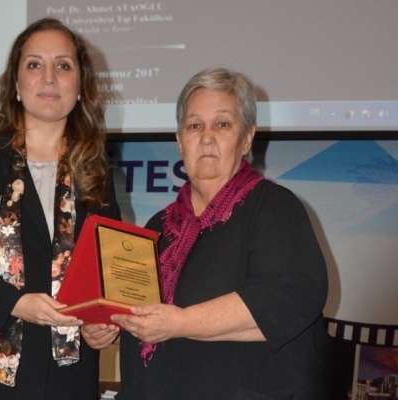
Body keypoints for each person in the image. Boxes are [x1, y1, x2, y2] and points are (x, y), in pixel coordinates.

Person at [107, 67, 337, 399]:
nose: (206, 137)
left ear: (247, 138)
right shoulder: (158, 226)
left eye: (223, 124)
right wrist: (109, 327)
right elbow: (137, 311)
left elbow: (289, 296)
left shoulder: (273, 207)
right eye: (194, 125)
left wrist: (181, 322)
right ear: (180, 141)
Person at [0, 17, 121, 400]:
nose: (49, 78)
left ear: (80, 85)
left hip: (68, 377)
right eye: (35, 64)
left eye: (63, 66)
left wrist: (101, 326)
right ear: (17, 83)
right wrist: (17, 303)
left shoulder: (95, 170)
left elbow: (108, 272)